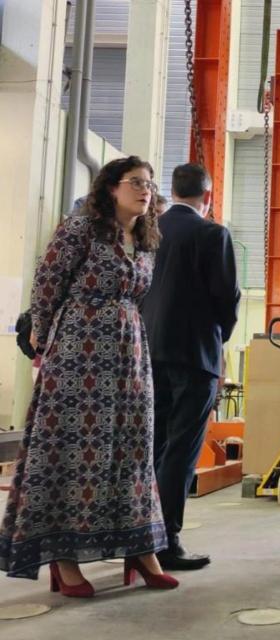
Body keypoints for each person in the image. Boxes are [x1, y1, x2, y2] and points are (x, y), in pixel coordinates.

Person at [0, 156, 177, 593]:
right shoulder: (81, 228)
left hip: (129, 352)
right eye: (136, 183)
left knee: (133, 448)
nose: (145, 191)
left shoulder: (147, 238)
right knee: (74, 451)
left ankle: (141, 546)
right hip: (79, 351)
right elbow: (47, 283)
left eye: (150, 185)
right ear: (111, 188)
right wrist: (41, 337)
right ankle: (64, 558)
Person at [141, 163, 241, 571]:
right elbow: (227, 299)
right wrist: (219, 337)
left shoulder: (147, 232)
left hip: (146, 353)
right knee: (182, 449)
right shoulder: (212, 234)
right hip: (195, 355)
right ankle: (167, 540)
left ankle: (141, 538)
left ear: (172, 190)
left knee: (152, 446)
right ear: (209, 196)